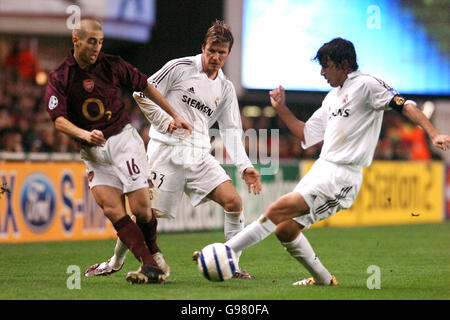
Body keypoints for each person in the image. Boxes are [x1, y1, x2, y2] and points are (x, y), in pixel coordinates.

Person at [219, 37, 450, 286]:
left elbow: (405, 106)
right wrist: (282, 109)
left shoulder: (367, 85)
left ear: (344, 64)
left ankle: (223, 253)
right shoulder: (331, 98)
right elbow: (306, 134)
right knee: (285, 229)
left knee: (277, 210)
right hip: (322, 169)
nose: (322, 72)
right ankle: (324, 280)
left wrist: (433, 132)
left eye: (326, 66)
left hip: (343, 176)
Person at [85, 20, 262, 279]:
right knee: (145, 214)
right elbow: (141, 93)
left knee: (233, 201)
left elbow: (231, 131)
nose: (215, 56)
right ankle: (115, 262)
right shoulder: (180, 68)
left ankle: (230, 264)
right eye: (211, 50)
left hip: (199, 155)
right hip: (166, 151)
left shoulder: (225, 88)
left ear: (228, 54)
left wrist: (245, 166)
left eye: (221, 52)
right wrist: (166, 121)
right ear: (203, 47)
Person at [45, 19, 191, 284]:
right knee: (112, 209)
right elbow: (58, 119)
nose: (96, 48)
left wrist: (174, 114)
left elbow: (145, 85)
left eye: (100, 42)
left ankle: (153, 253)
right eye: (91, 41)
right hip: (93, 152)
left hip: (123, 141)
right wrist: (83, 134)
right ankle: (150, 264)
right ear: (76, 40)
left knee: (142, 209)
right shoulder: (60, 77)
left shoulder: (112, 64)